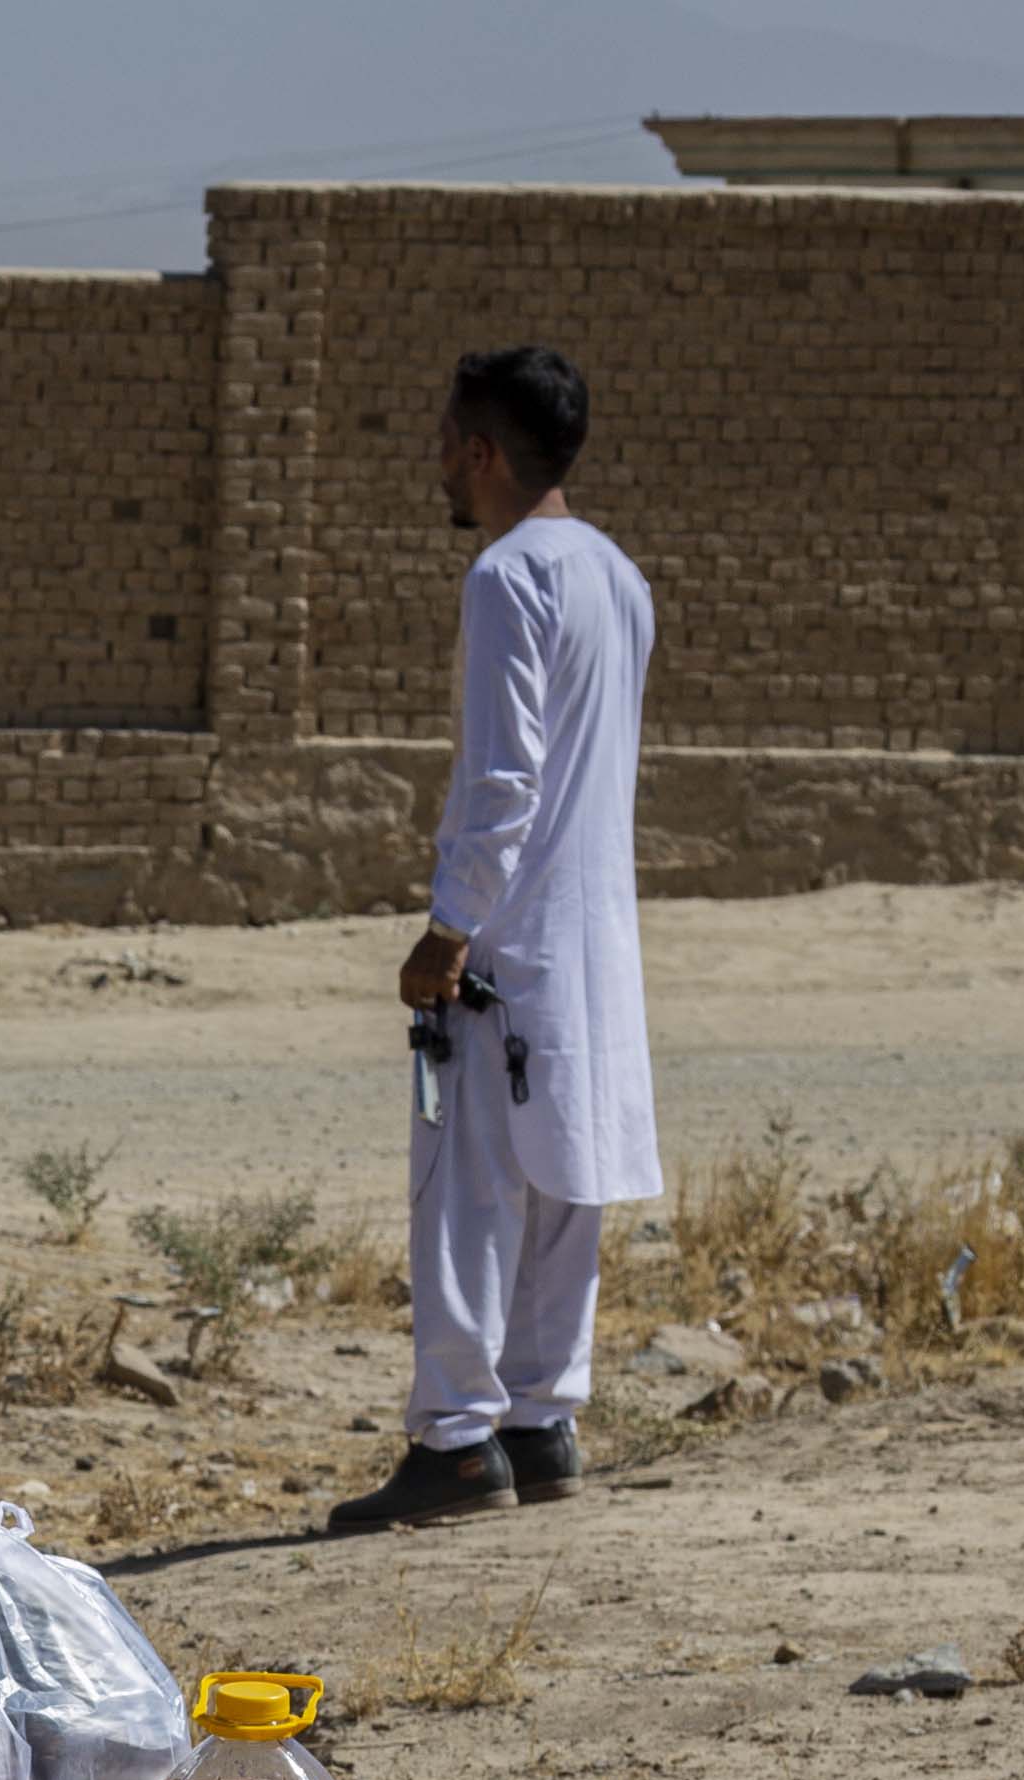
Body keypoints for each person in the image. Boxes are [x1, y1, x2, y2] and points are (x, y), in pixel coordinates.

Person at [344, 344, 654, 1535]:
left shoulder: (505, 576)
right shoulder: (618, 577)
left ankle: (458, 1441)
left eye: (444, 442)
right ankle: (540, 1421)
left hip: (507, 950)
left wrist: (450, 926)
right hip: (593, 945)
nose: (437, 464)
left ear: (480, 451)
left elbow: (506, 776)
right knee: (565, 1188)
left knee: (468, 1198)